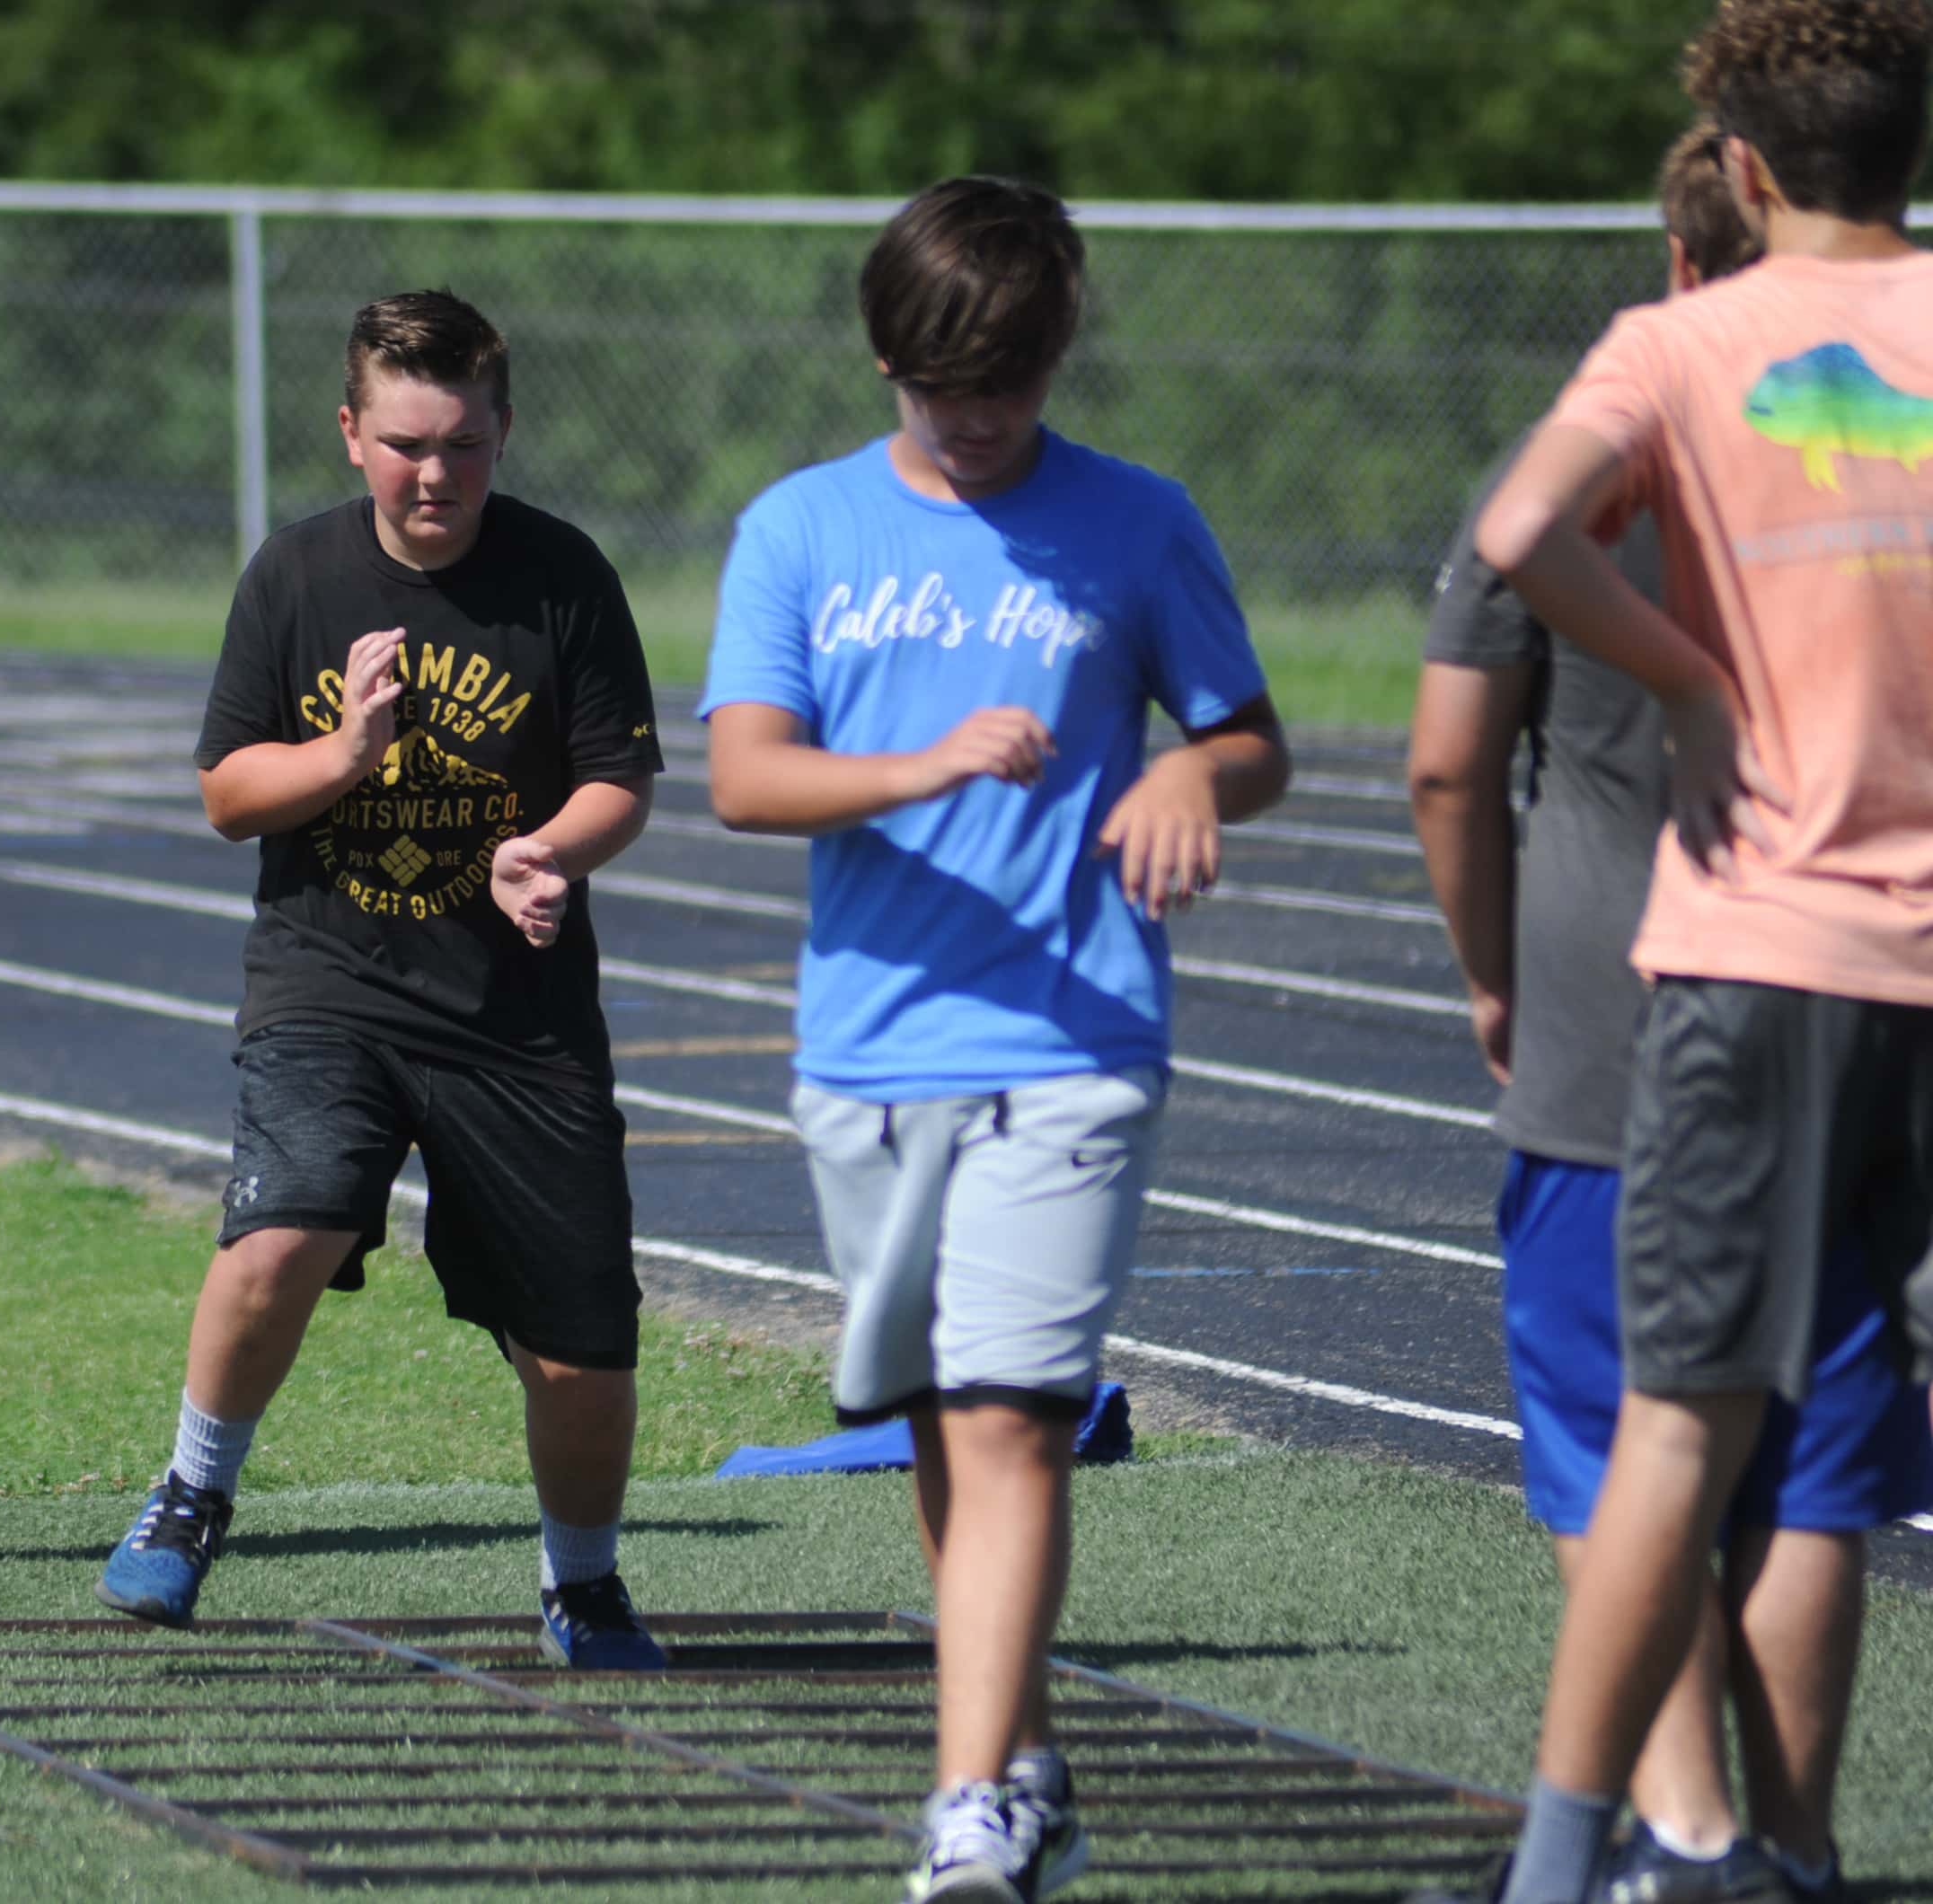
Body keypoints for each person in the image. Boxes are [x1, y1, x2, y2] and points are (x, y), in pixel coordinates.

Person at [702, 177, 1290, 1903]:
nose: (979, 422)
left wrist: (1189, 770)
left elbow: (1248, 737)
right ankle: (1020, 1761)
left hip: (1075, 1039)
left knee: (1016, 1414)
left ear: (1054, 358)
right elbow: (744, 777)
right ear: (886, 353)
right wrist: (923, 765)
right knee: (945, 1429)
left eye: (1012, 387)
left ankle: (963, 1814)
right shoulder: (797, 529)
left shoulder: (1137, 520)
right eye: (949, 388)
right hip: (868, 1054)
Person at [1409, 117, 1929, 1904]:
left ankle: (1668, 1841)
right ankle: (1786, 1848)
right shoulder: (1892, 401)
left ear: (1681, 246)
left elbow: (1442, 761)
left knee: (1622, 1442)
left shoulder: (1622, 418)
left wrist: (1481, 967)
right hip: (1874, 971)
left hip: (1613, 1009)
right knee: (1812, 1458)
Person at [93, 289, 671, 1670]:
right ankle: (191, 1495)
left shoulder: (563, 577)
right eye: (408, 442)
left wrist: (549, 850)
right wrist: (346, 756)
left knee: (582, 1350)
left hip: (513, 1017)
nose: (436, 475)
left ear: (504, 430)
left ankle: (582, 1585)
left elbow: (623, 777)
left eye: (465, 444)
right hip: (328, 985)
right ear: (351, 433)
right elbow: (231, 794)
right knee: (281, 1229)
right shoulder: (293, 579)